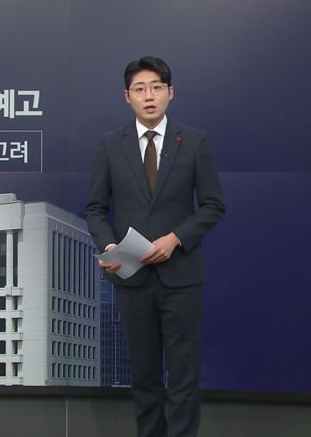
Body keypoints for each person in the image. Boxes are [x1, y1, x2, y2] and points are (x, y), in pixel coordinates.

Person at [85, 56, 226, 437]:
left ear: (170, 93)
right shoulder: (110, 146)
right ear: (127, 97)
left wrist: (176, 238)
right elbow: (95, 209)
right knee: (144, 376)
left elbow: (213, 205)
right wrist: (109, 245)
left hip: (181, 278)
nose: (149, 96)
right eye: (140, 89)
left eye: (157, 88)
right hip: (132, 277)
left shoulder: (193, 142)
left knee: (183, 378)